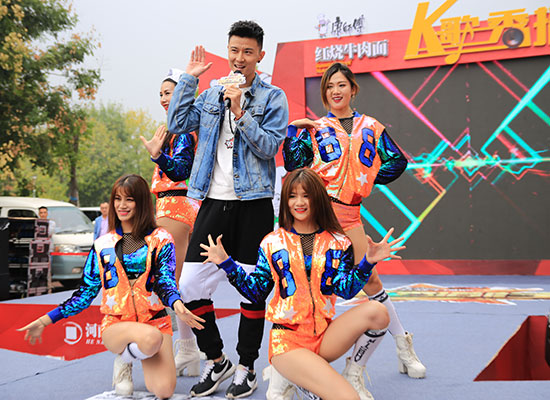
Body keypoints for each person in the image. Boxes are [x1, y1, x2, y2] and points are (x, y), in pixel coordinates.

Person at [283, 62, 426, 398]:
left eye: (341, 85)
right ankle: (293, 364)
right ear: (324, 93)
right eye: (329, 86)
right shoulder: (316, 128)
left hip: (349, 215)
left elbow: (397, 161)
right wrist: (293, 133)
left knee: (370, 281)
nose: (336, 91)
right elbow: (293, 164)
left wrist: (365, 179)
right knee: (311, 284)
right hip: (317, 216)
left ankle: (400, 346)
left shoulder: (371, 127)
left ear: (352, 88)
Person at [200, 168, 405, 400]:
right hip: (288, 342)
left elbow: (345, 290)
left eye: (306, 196)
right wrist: (227, 264)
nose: (299, 202)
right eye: (292, 196)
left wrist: (367, 262)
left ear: (318, 199)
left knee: (378, 311)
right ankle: (288, 373)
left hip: (325, 336)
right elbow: (255, 292)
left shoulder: (338, 242)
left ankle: (352, 373)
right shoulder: (272, 242)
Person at [167, 20, 289, 398]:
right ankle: (216, 360)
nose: (240, 58)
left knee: (252, 290)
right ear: (228, 52)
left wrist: (240, 110)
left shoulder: (273, 97)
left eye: (247, 52)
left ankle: (246, 367)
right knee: (189, 285)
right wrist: (189, 80)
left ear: (260, 55)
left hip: (253, 204)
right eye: (234, 50)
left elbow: (270, 147)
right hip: (213, 201)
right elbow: (176, 122)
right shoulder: (211, 94)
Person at [18, 174, 205, 400]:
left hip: (155, 320)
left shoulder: (161, 238)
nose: (122, 205)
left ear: (141, 202)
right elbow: (85, 294)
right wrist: (45, 320)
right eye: (117, 199)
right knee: (151, 338)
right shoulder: (103, 244)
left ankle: (131, 354)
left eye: (129, 199)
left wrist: (176, 303)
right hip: (118, 324)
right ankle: (124, 359)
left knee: (164, 391)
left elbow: (165, 280)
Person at [140, 68, 202, 383]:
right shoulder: (172, 130)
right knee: (179, 285)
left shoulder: (184, 131)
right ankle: (189, 349)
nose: (165, 98)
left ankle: (170, 353)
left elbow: (179, 170)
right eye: (162, 94)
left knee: (161, 281)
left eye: (170, 92)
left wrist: (158, 156)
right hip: (171, 206)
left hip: (177, 205)